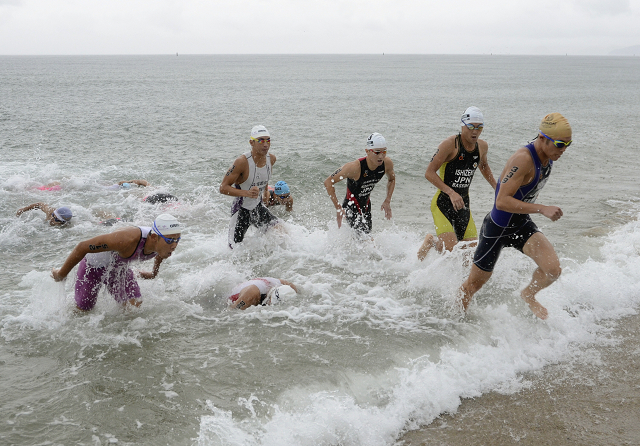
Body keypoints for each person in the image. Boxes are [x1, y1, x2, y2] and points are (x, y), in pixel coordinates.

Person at [458, 113, 572, 320]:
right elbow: (501, 201)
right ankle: (454, 321)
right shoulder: (523, 159)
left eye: (567, 144)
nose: (563, 150)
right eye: (559, 144)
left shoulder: (548, 155)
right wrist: (541, 208)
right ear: (542, 138)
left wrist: (536, 209)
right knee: (472, 286)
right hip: (497, 228)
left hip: (520, 224)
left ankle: (528, 294)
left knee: (553, 270)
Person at [51, 214, 182, 311]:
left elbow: (161, 254)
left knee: (134, 308)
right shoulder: (126, 240)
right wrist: (61, 274)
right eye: (170, 240)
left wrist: (153, 273)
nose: (174, 245)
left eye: (177, 239)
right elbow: (82, 246)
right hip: (91, 268)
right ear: (154, 237)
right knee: (83, 313)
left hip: (118, 269)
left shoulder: (161, 246)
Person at [418, 106, 497, 260]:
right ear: (463, 126)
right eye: (471, 127)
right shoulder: (450, 144)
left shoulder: (482, 146)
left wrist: (496, 187)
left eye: (479, 127)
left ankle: (461, 283)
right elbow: (429, 173)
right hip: (443, 203)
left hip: (463, 205)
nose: (475, 131)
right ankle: (432, 241)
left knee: (470, 257)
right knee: (451, 253)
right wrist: (451, 192)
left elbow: (484, 165)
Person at [220, 125, 281, 247]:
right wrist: (246, 193)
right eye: (261, 141)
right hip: (241, 210)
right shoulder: (242, 162)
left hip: (257, 207)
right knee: (234, 250)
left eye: (268, 140)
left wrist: (265, 192)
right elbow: (223, 188)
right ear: (251, 142)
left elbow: (263, 176)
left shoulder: (271, 159)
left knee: (280, 232)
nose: (265, 144)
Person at [323, 133, 396, 234]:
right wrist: (338, 208)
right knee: (364, 241)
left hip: (366, 205)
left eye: (384, 151)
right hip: (351, 206)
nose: (381, 156)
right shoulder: (354, 167)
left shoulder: (387, 163)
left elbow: (392, 179)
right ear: (367, 151)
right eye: (377, 152)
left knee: (364, 239)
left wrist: (387, 200)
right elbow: (328, 182)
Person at [227, 277, 298, 310]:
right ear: (270, 298)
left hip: (257, 286)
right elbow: (232, 310)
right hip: (236, 297)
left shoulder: (289, 286)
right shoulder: (250, 296)